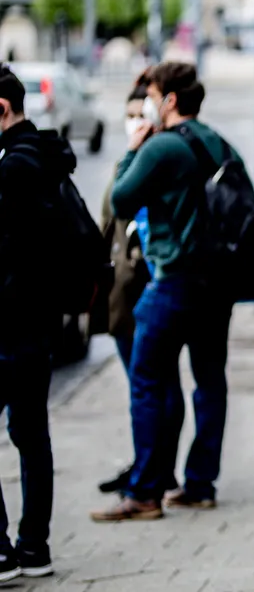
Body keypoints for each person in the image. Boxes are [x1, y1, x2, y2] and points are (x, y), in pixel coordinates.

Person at [91, 62, 243, 522]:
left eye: (153, 95)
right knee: (209, 379)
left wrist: (135, 150)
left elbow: (120, 200)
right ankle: (200, 484)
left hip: (176, 277)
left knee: (148, 379)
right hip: (217, 280)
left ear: (170, 100)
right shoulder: (218, 141)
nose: (148, 104)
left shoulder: (160, 147)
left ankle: (144, 493)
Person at [0, 64, 66, 580]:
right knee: (31, 433)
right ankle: (34, 545)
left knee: (26, 432)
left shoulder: (10, 168)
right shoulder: (46, 158)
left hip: (8, 322)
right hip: (38, 322)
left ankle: (3, 551)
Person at [91, 75, 154, 496]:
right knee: (139, 386)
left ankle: (150, 472)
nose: (133, 123)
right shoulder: (126, 161)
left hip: (141, 287)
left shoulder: (148, 160)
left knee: (147, 385)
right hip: (120, 287)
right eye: (128, 116)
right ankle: (144, 465)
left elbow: (121, 206)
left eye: (139, 115)